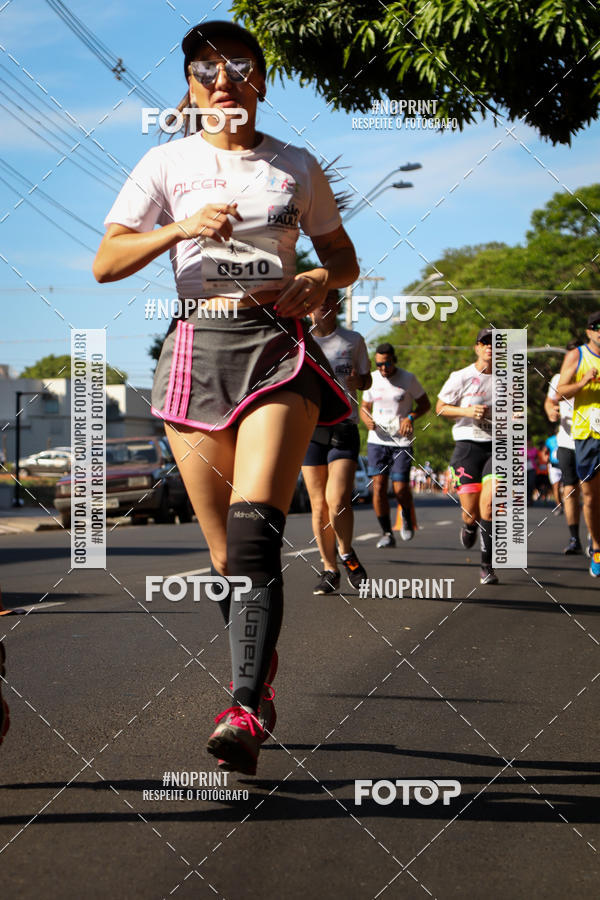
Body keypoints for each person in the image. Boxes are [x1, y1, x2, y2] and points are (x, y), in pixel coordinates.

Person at [93, 20, 359, 774]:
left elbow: (341, 256)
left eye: (237, 66)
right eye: (204, 70)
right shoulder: (165, 162)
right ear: (189, 87)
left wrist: (319, 278)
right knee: (222, 555)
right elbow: (106, 261)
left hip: (277, 349)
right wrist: (177, 227)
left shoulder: (295, 165)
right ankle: (259, 678)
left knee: (252, 540)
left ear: (260, 79)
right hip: (195, 352)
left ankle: (241, 707)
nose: (221, 80)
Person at [300, 290, 372, 594]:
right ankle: (329, 569)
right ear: (310, 307)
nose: (325, 305)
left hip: (344, 426)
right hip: (310, 427)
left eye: (331, 300)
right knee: (318, 505)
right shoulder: (299, 339)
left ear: (338, 305)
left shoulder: (353, 340)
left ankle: (346, 553)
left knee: (338, 500)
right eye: (320, 301)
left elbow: (367, 379)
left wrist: (359, 382)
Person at [436, 328, 498, 585]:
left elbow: (517, 412)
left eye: (494, 343)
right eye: (485, 342)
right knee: (471, 513)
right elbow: (440, 408)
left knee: (490, 505)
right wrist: (467, 411)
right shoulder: (461, 377)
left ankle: (487, 566)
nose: (490, 347)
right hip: (467, 447)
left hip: (498, 446)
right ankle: (470, 526)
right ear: (477, 348)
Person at [360, 343, 430, 547]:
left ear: (394, 360)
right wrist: (366, 419)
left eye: (387, 363)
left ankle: (406, 515)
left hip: (401, 441)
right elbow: (364, 406)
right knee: (379, 487)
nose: (383, 368)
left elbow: (425, 404)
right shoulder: (372, 379)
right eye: (379, 364)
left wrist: (410, 417)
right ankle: (387, 533)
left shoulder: (408, 379)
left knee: (400, 488)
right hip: (377, 441)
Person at [557, 312, 600, 577]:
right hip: (588, 434)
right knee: (591, 496)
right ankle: (597, 547)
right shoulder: (578, 356)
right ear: (589, 331)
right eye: (597, 327)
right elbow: (560, 391)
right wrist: (583, 381)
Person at [544, 339, 583, 553]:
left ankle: (594, 537)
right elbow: (550, 401)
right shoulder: (558, 379)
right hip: (567, 441)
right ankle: (574, 538)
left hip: (591, 439)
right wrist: (551, 410)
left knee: (591, 491)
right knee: (570, 488)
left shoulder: (593, 374)